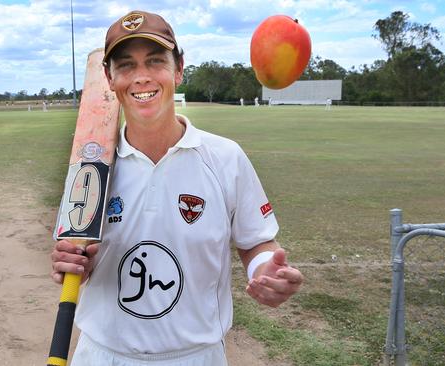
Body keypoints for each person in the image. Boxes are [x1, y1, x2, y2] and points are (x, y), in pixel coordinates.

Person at [50, 10, 303, 366]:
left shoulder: (224, 158)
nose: (141, 77)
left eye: (155, 62)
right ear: (109, 78)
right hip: (104, 354)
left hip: (195, 356)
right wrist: (70, 260)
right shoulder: (89, 168)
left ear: (178, 69)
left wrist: (265, 270)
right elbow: (72, 255)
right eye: (126, 66)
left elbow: (257, 240)